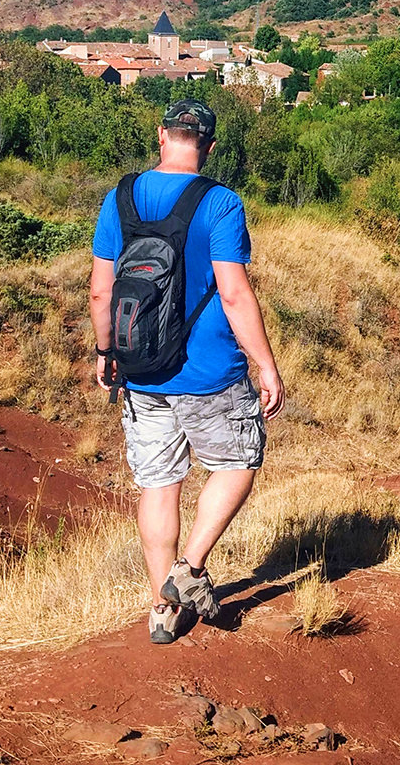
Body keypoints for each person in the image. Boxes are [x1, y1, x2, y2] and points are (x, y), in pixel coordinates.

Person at [88, 99, 285, 645]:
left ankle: (161, 612)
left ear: (161, 135)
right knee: (238, 462)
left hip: (141, 371)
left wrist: (107, 354)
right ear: (210, 145)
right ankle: (189, 570)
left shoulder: (120, 198)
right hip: (209, 374)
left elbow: (101, 290)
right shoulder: (220, 203)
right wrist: (265, 365)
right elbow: (233, 290)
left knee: (158, 485)